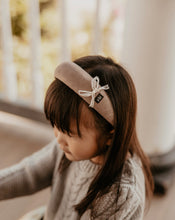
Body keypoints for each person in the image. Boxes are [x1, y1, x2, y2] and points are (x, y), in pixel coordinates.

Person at [0, 55, 154, 220]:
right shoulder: (66, 147)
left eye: (69, 133)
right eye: (57, 127)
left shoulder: (120, 195)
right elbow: (29, 173)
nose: (59, 138)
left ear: (110, 135)